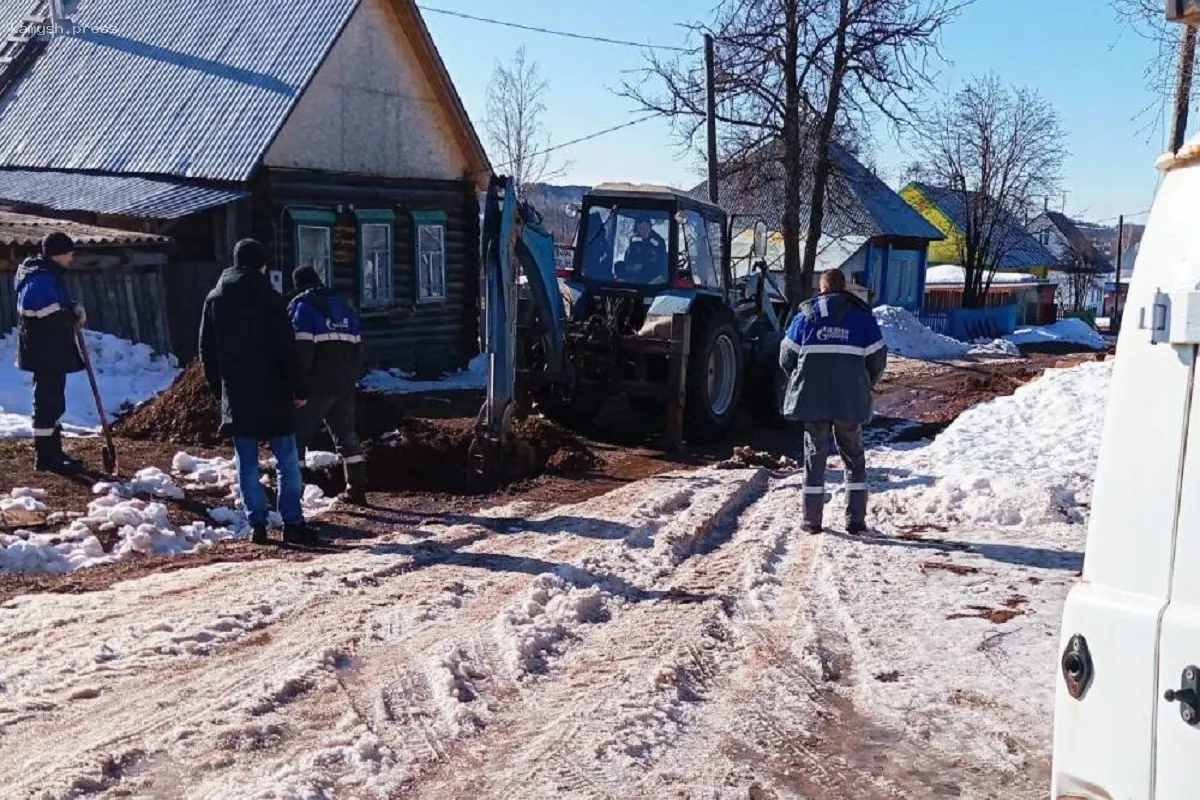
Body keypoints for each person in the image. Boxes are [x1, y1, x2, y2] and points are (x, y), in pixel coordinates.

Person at [199, 239, 314, 546]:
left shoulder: (215, 298)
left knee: (246, 462)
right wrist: (299, 386)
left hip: (237, 393)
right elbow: (286, 349)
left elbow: (206, 351)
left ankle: (258, 526)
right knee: (286, 460)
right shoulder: (270, 298)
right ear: (261, 265)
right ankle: (292, 522)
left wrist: (218, 389)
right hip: (274, 391)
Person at [779, 268, 888, 535]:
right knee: (854, 459)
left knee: (814, 457)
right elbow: (878, 360)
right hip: (850, 402)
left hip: (812, 401)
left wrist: (801, 380)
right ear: (845, 289)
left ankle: (811, 521)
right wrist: (863, 385)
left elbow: (785, 358)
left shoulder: (805, 316)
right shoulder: (863, 318)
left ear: (822, 289)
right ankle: (855, 521)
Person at [288, 266, 368, 505]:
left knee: (296, 437)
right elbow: (358, 351)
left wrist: (298, 385)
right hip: (344, 385)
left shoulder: (303, 307)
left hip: (315, 387)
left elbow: (301, 352)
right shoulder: (345, 308)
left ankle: (296, 492)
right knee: (346, 434)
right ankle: (356, 488)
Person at [14, 232, 87, 473]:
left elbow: (57, 305)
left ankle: (54, 452)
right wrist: (70, 315)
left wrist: (72, 307)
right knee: (46, 401)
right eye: (69, 254)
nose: (71, 259)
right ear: (58, 254)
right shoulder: (39, 278)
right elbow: (39, 310)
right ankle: (45, 457)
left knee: (54, 401)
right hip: (44, 351)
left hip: (51, 350)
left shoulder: (48, 275)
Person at [619, 218, 667, 283]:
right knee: (618, 266)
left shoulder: (656, 240)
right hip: (634, 269)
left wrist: (643, 265)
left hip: (651, 269)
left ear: (650, 227)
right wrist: (630, 266)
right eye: (642, 229)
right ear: (638, 228)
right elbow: (630, 254)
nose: (645, 232)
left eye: (647, 229)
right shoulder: (634, 238)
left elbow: (661, 256)